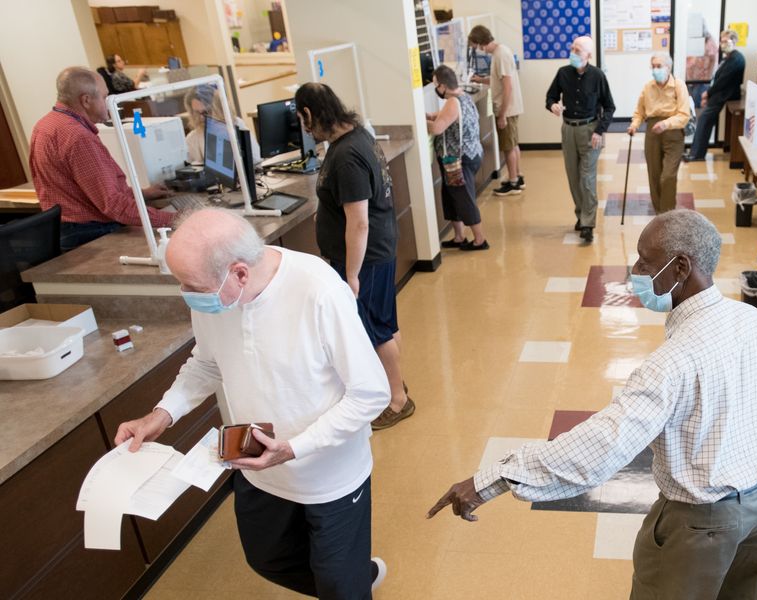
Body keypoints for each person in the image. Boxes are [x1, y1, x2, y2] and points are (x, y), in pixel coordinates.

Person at [428, 209, 757, 598]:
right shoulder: (752, 319)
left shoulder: (673, 362)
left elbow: (598, 449)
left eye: (645, 260)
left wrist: (491, 480)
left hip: (703, 525)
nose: (635, 269)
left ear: (681, 266)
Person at [113, 209, 391, 597]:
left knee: (339, 586)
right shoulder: (217, 300)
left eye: (191, 285)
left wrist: (294, 448)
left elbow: (372, 393)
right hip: (257, 465)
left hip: (329, 474)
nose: (186, 295)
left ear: (239, 272)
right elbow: (205, 363)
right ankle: (354, 578)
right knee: (268, 560)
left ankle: (350, 583)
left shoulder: (318, 291)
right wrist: (162, 414)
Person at [295, 82, 416, 430]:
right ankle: (396, 384)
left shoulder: (346, 155)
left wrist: (351, 275)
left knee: (375, 329)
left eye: (304, 122)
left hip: (366, 257)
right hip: (378, 249)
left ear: (308, 114)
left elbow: (359, 223)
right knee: (384, 323)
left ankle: (397, 400)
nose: (306, 131)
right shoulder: (357, 135)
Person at [28, 67, 174, 250]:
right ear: (86, 100)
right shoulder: (78, 137)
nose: (109, 103)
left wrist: (142, 193)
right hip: (89, 234)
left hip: (67, 231)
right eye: (105, 97)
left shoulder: (45, 125)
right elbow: (113, 205)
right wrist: (175, 219)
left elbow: (85, 190)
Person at [545, 36, 615, 244]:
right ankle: (581, 214)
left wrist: (599, 131)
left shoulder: (597, 76)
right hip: (568, 130)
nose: (573, 52)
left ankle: (588, 223)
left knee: (587, 178)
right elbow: (550, 97)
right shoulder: (563, 73)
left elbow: (610, 107)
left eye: (578, 50)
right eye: (572, 48)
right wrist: (553, 106)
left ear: (588, 55)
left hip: (590, 131)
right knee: (573, 177)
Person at [427, 66, 490, 251]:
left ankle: (479, 239)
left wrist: (420, 121)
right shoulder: (462, 96)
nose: (435, 89)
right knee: (451, 196)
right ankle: (459, 236)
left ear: (443, 86)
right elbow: (446, 117)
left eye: (435, 84)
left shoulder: (452, 102)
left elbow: (438, 128)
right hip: (468, 155)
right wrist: (431, 116)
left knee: (463, 198)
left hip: (458, 161)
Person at [627, 52, 691, 215]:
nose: (655, 70)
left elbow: (684, 115)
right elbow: (639, 112)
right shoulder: (648, 87)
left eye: (659, 66)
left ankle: (668, 215)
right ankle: (659, 214)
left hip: (674, 132)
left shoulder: (679, 85)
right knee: (654, 177)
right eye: (653, 66)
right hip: (653, 132)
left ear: (668, 68)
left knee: (668, 176)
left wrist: (666, 124)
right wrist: (634, 125)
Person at [468, 25, 525, 197]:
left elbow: (508, 87)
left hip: (506, 108)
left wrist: (502, 114)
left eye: (474, 46)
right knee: (513, 144)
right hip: (508, 107)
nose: (475, 49)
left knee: (508, 147)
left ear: (480, 43)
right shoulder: (500, 52)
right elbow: (498, 80)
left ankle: (513, 182)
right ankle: (518, 177)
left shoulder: (500, 55)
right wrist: (481, 79)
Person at [686, 29, 745, 162]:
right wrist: (709, 94)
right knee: (704, 122)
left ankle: (696, 154)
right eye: (721, 40)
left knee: (704, 121)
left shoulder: (736, 58)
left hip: (723, 95)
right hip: (719, 94)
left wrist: (708, 93)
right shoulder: (728, 58)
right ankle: (696, 153)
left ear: (734, 41)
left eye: (726, 41)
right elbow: (717, 78)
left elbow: (723, 80)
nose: (722, 43)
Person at [183, 83, 261, 166]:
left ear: (218, 108)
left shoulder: (237, 125)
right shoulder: (192, 138)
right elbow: (191, 169)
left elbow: (256, 159)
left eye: (206, 112)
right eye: (197, 112)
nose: (201, 118)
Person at [685, 20, 720, 108]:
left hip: (702, 80)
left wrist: (707, 77)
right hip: (691, 80)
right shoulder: (694, 39)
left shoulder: (709, 40)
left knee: (697, 106)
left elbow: (713, 59)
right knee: (691, 105)